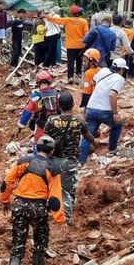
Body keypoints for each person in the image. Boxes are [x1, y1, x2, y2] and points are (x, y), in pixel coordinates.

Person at [2, 135, 64, 265]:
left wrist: (4, 200)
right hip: (39, 207)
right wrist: (59, 218)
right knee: (41, 237)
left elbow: (7, 182)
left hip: (20, 205)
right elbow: (55, 198)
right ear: (52, 151)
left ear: (36, 147)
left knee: (18, 240)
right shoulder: (53, 168)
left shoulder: (23, 161)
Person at [43, 93, 95, 226]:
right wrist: (95, 144)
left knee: (50, 187)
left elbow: (44, 139)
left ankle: (49, 211)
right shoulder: (79, 121)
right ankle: (66, 218)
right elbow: (89, 137)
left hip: (52, 160)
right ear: (72, 105)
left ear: (58, 105)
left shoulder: (51, 120)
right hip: (70, 161)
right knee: (67, 190)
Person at [79, 58, 128, 164]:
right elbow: (112, 94)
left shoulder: (103, 71)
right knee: (118, 125)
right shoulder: (119, 78)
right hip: (104, 111)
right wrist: (115, 113)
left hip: (91, 108)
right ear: (122, 69)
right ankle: (112, 150)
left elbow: (92, 82)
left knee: (87, 136)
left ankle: (81, 162)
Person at [47, 5, 89, 83]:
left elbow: (56, 20)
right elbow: (86, 34)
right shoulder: (84, 21)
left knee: (70, 61)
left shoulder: (67, 20)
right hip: (80, 45)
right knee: (79, 60)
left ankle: (70, 77)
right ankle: (79, 74)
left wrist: (46, 17)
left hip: (70, 45)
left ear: (71, 13)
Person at [17, 71, 60, 143]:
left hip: (41, 127)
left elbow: (27, 112)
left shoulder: (35, 96)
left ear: (38, 83)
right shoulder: (56, 94)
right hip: (56, 125)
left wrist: (21, 125)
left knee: (38, 146)